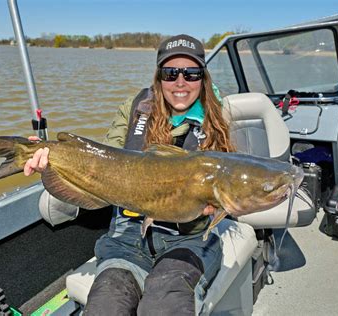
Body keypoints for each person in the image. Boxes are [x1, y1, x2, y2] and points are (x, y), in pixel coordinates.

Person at [24, 34, 235, 315]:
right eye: (170, 73)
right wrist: (54, 160)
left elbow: (230, 185)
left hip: (188, 242)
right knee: (107, 302)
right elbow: (104, 160)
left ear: (203, 78)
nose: (181, 82)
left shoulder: (219, 118)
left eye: (191, 73)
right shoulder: (134, 108)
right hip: (127, 237)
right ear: (159, 77)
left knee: (165, 303)